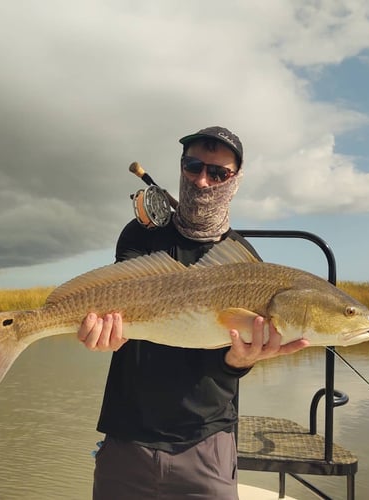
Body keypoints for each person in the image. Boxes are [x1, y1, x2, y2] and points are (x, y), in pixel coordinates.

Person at [77, 126, 309, 500]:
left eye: (218, 173)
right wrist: (104, 334)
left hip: (206, 441)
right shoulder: (141, 236)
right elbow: (124, 303)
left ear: (236, 181)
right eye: (193, 166)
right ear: (181, 168)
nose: (203, 181)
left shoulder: (245, 260)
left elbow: (230, 360)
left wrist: (239, 362)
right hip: (128, 436)